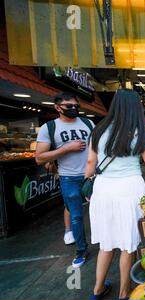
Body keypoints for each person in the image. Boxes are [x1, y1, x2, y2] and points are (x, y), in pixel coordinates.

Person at [85, 89, 145, 300]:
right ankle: (124, 293)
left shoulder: (98, 130)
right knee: (128, 244)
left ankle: (97, 290)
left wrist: (89, 178)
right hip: (129, 190)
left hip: (103, 189)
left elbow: (90, 165)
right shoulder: (139, 131)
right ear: (136, 108)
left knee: (106, 243)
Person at [35, 92, 94, 268]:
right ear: (58, 107)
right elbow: (39, 158)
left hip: (92, 176)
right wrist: (66, 148)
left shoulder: (88, 123)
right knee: (76, 216)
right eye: (69, 106)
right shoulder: (49, 127)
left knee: (102, 210)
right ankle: (81, 252)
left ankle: (109, 244)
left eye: (76, 106)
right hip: (69, 178)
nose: (74, 109)